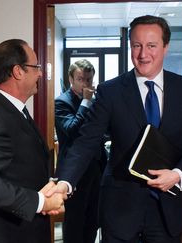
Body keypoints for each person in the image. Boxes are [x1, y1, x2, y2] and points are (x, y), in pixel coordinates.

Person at [48, 15, 182, 243]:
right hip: (120, 209)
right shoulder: (110, 92)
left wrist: (178, 175)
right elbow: (86, 142)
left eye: (151, 45)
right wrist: (64, 181)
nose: (143, 54)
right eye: (136, 45)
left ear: (165, 47)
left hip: (167, 210)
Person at [0, 39, 65, 243]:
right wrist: (40, 202)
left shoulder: (14, 111)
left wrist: (49, 189)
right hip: (1, 235)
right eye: (36, 67)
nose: (40, 73)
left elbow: (21, 168)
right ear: (18, 71)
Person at [55, 59, 106, 243]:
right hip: (74, 173)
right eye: (80, 79)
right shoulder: (62, 102)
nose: (86, 84)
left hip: (96, 169)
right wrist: (85, 102)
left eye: (89, 79)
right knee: (75, 222)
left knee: (93, 220)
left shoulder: (96, 101)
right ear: (71, 79)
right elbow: (71, 130)